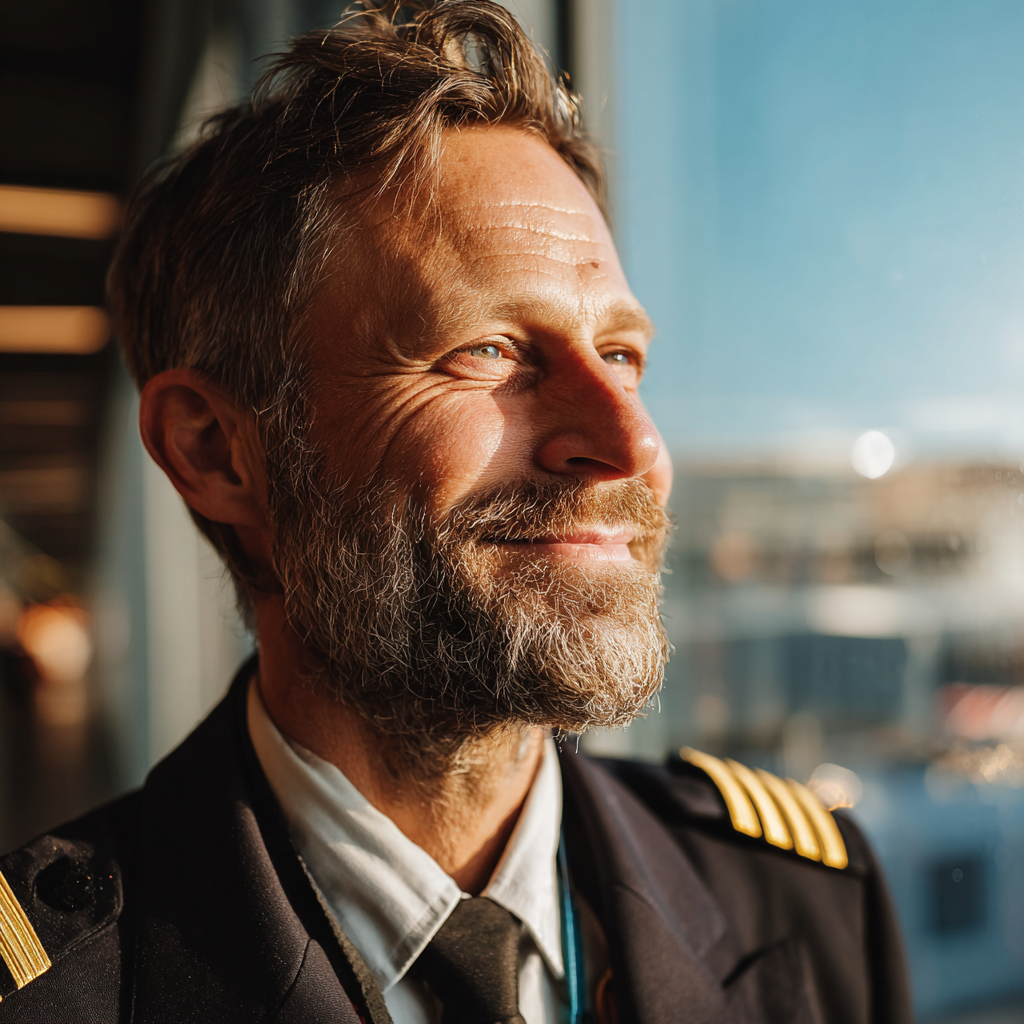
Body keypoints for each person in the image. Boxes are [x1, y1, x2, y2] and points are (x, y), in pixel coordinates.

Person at [0, 3, 911, 1022]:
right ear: (216, 451)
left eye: (620, 356)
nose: (631, 446)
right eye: (486, 350)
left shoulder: (811, 899)